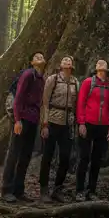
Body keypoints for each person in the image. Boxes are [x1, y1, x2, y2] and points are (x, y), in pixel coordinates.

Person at [2, 51, 47, 202]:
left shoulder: (41, 79)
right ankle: (6, 190)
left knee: (26, 155)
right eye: (36, 57)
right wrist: (17, 120)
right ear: (32, 62)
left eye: (42, 57)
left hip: (33, 120)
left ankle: (19, 190)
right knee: (14, 153)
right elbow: (18, 97)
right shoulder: (28, 74)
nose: (40, 58)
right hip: (21, 119)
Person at [75, 58, 109, 201]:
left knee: (97, 160)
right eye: (98, 63)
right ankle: (79, 190)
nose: (100, 64)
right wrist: (81, 123)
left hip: (103, 127)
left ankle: (91, 190)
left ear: (107, 68)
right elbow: (81, 102)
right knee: (84, 157)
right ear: (95, 68)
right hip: (88, 124)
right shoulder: (88, 82)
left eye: (103, 63)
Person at [39, 55, 79, 202]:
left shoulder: (75, 82)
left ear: (72, 65)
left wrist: (75, 122)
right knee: (47, 156)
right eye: (64, 60)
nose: (67, 62)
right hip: (52, 121)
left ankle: (57, 189)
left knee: (65, 157)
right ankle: (43, 189)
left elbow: (76, 104)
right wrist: (44, 124)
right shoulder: (53, 79)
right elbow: (45, 102)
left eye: (69, 60)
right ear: (60, 65)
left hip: (67, 124)